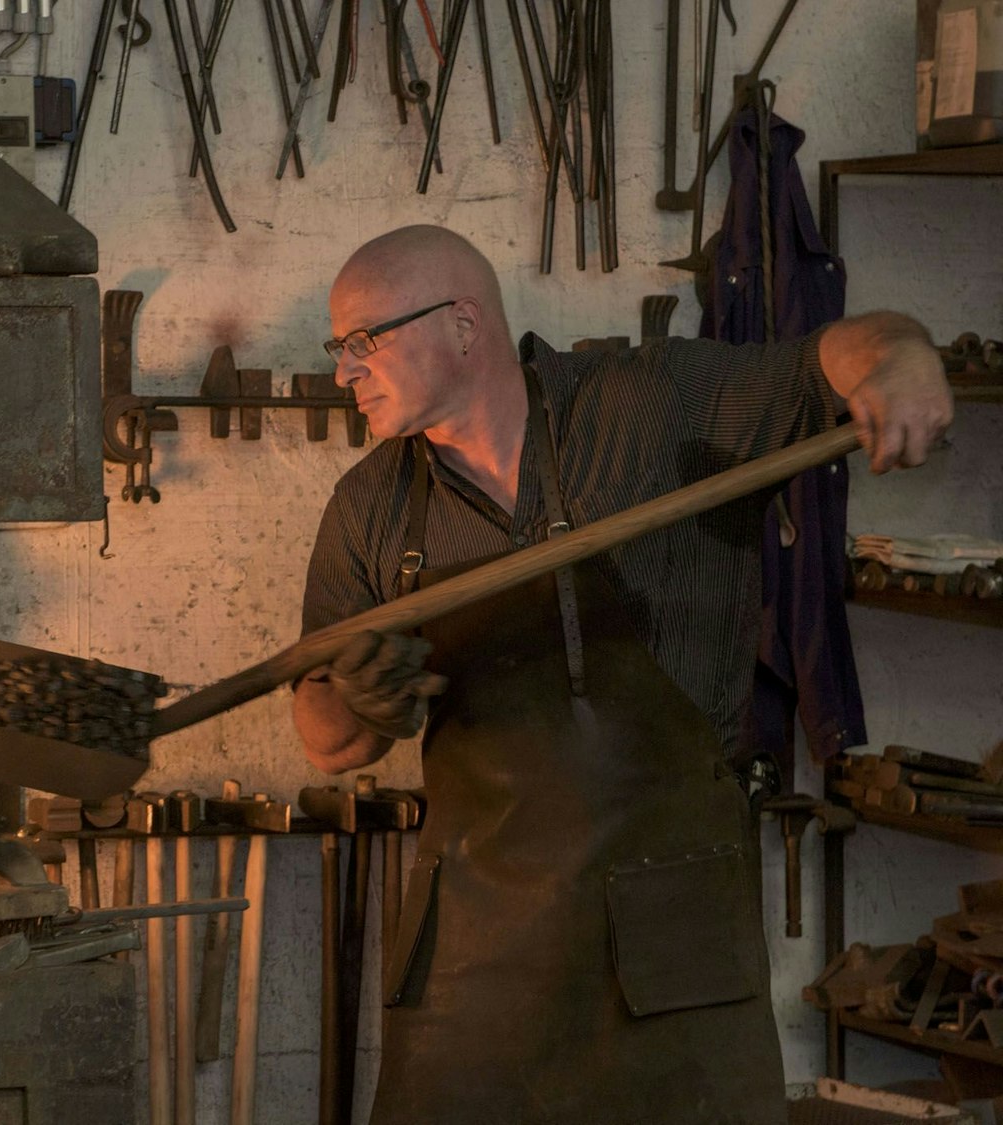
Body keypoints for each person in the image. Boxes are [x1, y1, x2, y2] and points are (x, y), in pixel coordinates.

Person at [294, 225, 952, 1125]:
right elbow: (325, 740)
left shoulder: (655, 404)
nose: (344, 373)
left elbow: (825, 362)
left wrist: (900, 356)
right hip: (475, 963)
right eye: (339, 349)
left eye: (362, 342)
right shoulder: (370, 508)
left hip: (677, 941)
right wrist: (354, 699)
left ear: (461, 323)